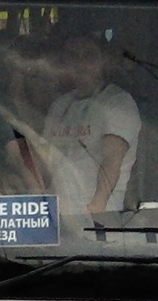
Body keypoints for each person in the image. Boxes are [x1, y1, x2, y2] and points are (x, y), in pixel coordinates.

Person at [41, 31, 141, 215]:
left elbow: (112, 160)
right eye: (73, 56)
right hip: (57, 214)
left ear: (103, 60)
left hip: (95, 215)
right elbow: (46, 160)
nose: (80, 63)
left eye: (88, 55)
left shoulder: (117, 102)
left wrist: (97, 206)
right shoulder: (60, 105)